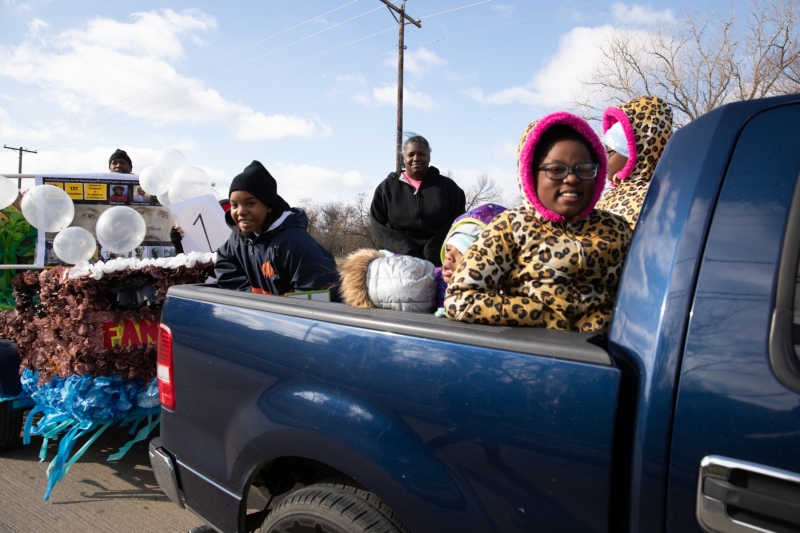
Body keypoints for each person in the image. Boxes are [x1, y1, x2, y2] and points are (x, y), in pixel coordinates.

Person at [444, 112, 632, 332]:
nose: (572, 178)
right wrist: (543, 315)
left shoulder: (617, 229)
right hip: (536, 358)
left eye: (584, 170)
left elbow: (644, 301)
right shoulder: (510, 227)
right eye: (556, 170)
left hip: (605, 358)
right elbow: (460, 300)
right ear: (530, 173)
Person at [336, 203, 506, 314]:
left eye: (463, 250)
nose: (449, 257)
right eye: (447, 249)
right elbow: (393, 280)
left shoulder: (507, 301)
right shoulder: (425, 281)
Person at [215, 160, 338, 296]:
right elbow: (226, 271)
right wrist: (251, 302)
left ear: (268, 206)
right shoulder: (237, 239)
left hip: (287, 317)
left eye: (250, 203)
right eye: (234, 205)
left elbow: (317, 296)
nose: (241, 211)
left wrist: (273, 312)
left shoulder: (295, 243)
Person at [370, 135, 466, 267]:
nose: (416, 158)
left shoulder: (448, 188)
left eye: (422, 154)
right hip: (399, 261)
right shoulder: (386, 188)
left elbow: (457, 223)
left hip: (440, 259)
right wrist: (408, 251)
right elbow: (378, 226)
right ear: (404, 158)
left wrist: (432, 251)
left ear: (429, 157)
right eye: (411, 154)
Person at [595, 96, 673, 228]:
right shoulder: (615, 194)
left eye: (609, 152)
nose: (603, 158)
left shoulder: (645, 201)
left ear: (634, 154)